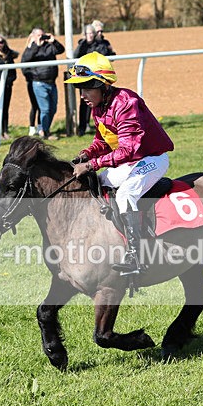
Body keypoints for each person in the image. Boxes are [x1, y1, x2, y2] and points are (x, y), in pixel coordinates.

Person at [66, 52, 174, 276]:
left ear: (102, 86)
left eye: (87, 88)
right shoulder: (98, 107)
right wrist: (87, 154)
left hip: (151, 159)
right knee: (99, 183)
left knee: (126, 194)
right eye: (80, 89)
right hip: (131, 160)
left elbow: (128, 149)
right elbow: (103, 141)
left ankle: (136, 256)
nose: (83, 95)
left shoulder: (126, 102)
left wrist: (93, 164)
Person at [20, 28, 65, 140]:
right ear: (33, 36)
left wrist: (53, 41)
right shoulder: (31, 48)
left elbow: (61, 50)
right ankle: (45, 132)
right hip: (39, 82)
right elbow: (25, 59)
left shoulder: (49, 46)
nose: (42, 38)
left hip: (52, 82)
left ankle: (44, 129)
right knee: (45, 109)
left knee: (53, 108)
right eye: (39, 35)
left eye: (42, 35)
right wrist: (36, 45)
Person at [74, 24, 116, 136]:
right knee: (84, 103)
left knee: (100, 101)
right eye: (88, 33)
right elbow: (75, 56)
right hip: (83, 78)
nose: (90, 35)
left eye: (92, 33)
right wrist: (83, 43)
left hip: (97, 78)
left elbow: (104, 56)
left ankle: (104, 125)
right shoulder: (81, 44)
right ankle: (82, 127)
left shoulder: (100, 44)